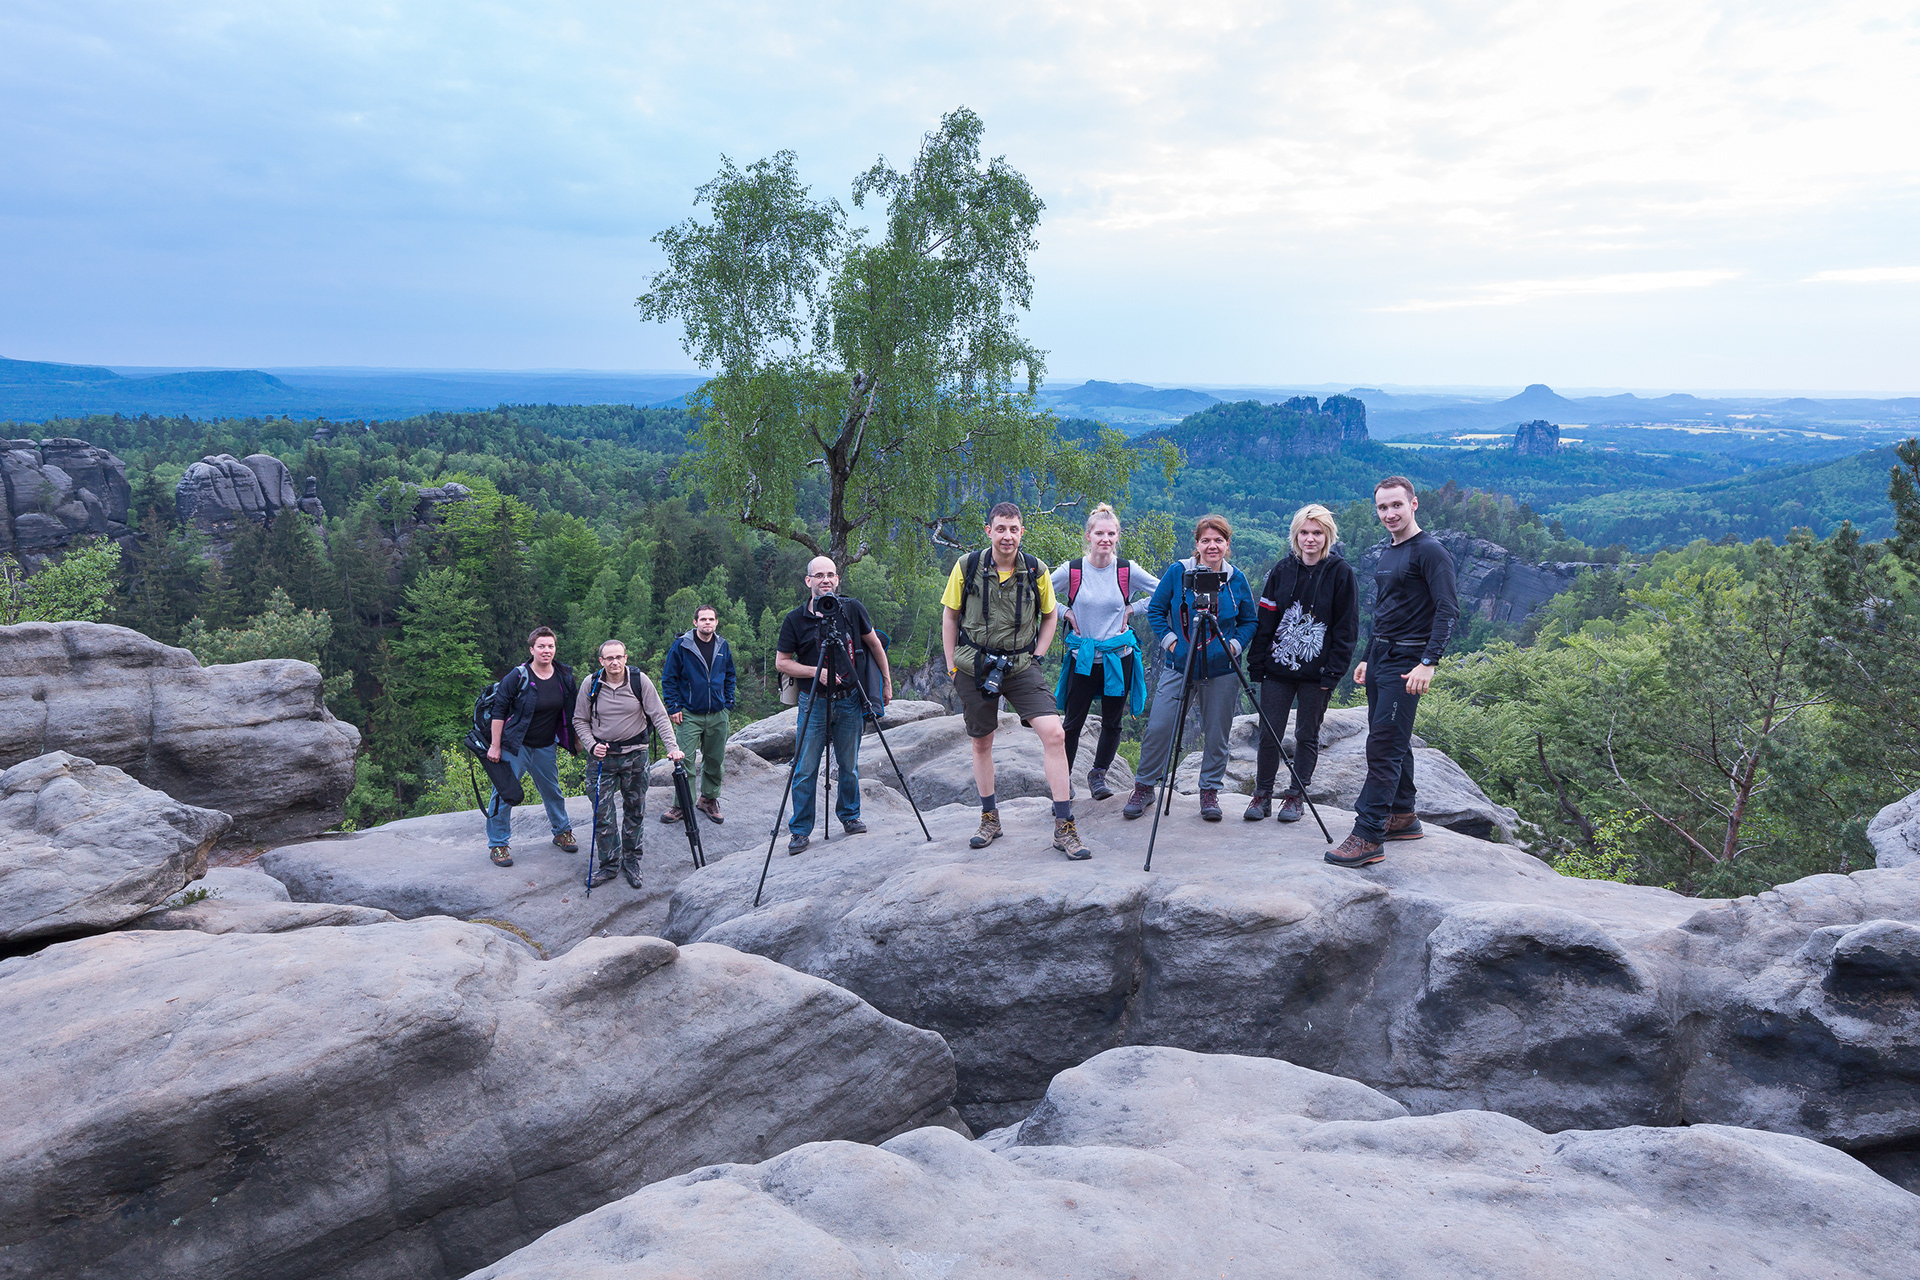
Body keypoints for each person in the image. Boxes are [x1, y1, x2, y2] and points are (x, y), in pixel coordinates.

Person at [1326, 476, 1459, 869]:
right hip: (1382, 658)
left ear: (1413, 504)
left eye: (1396, 505)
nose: (1389, 513)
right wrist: (1368, 656)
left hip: (1408, 663)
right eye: (1382, 507)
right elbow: (1384, 609)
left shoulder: (1430, 552)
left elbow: (1448, 610)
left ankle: (1368, 835)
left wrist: (1428, 662)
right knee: (1392, 739)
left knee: (1382, 747)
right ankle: (1402, 815)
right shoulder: (1389, 551)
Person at [942, 501, 1087, 860]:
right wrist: (951, 666)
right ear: (989, 531)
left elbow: (1050, 615)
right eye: (1000, 529)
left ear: (1022, 532)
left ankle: (1064, 825)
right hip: (974, 664)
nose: (1007, 536)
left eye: (1013, 529)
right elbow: (950, 615)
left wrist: (1038, 655)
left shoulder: (1036, 570)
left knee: (1055, 734)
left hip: (1021, 665)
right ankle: (989, 818)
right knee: (981, 742)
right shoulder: (968, 566)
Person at [1124, 515, 1258, 823]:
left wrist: (1233, 646)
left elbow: (1249, 620)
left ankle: (1209, 791)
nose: (1212, 546)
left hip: (1222, 669)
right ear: (1196, 544)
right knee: (1160, 727)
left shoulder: (1235, 579)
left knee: (1217, 733)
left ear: (1227, 544)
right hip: (1180, 665)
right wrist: (1173, 643)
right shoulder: (1178, 572)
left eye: (1218, 540)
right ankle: (1144, 787)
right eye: (1206, 540)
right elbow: (1156, 610)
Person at [1244, 503, 1359, 822]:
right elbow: (1266, 619)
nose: (1310, 539)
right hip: (1277, 670)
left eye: (1317, 533)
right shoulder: (1282, 570)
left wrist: (1333, 672)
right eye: (1304, 532)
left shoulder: (1341, 574)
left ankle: (1295, 796)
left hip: (1317, 674)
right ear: (1295, 535)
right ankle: (1262, 795)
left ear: (1327, 535)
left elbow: (1346, 627)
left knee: (1307, 734)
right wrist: (1257, 663)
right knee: (1269, 733)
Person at [775, 556, 893, 855]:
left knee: (849, 765)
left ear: (837, 579)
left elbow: (874, 644)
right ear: (808, 581)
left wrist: (886, 682)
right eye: (819, 575)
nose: (825, 580)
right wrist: (816, 672)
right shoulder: (795, 619)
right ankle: (800, 830)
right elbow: (782, 663)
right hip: (813, 700)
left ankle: (850, 816)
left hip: (849, 699)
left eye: (830, 575)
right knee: (805, 768)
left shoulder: (851, 609)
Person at [1051, 503, 1158, 801]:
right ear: (1088, 536)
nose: (1105, 539)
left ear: (1117, 536)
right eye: (1099, 533)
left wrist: (1133, 608)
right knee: (1072, 724)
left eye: (1111, 534)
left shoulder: (1126, 570)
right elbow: (1038, 592)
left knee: (1112, 722)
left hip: (1118, 656)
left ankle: (1098, 775)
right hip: (1083, 658)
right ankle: (1063, 783)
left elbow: (1163, 591)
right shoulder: (1073, 570)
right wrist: (1064, 612)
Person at [572, 639, 682, 888]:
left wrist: (672, 748)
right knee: (602, 813)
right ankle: (609, 864)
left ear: (625, 658)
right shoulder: (591, 683)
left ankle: (632, 860)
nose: (614, 662)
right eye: (609, 658)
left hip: (635, 756)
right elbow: (579, 720)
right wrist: (591, 745)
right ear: (601, 661)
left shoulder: (639, 681)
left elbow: (659, 715)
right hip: (602, 758)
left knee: (635, 809)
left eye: (618, 657)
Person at [483, 625, 579, 868]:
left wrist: (576, 741)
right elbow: (499, 710)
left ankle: (562, 832)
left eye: (550, 646)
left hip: (546, 746)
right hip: (516, 747)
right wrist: (495, 746)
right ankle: (498, 844)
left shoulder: (564, 676)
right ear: (532, 649)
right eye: (541, 646)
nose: (546, 650)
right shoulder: (518, 676)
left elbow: (573, 712)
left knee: (552, 791)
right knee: (504, 793)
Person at [660, 604, 737, 825]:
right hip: (689, 714)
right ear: (695, 622)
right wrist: (673, 707)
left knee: (715, 759)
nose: (707, 623)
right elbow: (669, 677)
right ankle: (682, 805)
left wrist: (728, 702)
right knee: (684, 761)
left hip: (718, 713)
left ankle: (708, 800)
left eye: (711, 619)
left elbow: (730, 674)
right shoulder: (682, 646)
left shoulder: (722, 645)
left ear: (716, 622)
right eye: (703, 619)